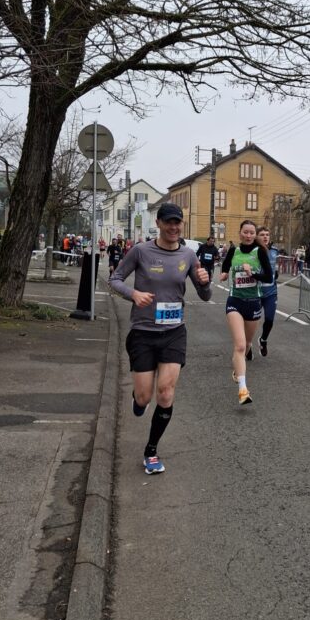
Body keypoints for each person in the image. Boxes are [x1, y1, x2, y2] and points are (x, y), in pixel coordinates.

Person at [109, 203, 211, 474]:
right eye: (169, 222)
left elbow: (205, 296)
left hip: (174, 332)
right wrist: (133, 294)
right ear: (158, 223)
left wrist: (204, 281)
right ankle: (138, 399)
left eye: (178, 222)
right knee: (144, 398)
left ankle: (151, 451)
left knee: (165, 393)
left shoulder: (189, 255)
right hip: (143, 332)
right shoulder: (141, 251)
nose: (174, 227)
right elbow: (114, 280)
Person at [219, 220, 273, 405]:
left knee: (248, 344)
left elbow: (269, 277)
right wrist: (224, 273)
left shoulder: (260, 252)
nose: (248, 235)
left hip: (253, 303)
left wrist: (253, 274)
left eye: (251, 233)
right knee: (240, 345)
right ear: (240, 233)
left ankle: (238, 368)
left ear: (254, 235)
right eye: (245, 232)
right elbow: (225, 265)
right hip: (235, 301)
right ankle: (243, 390)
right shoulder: (233, 251)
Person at [256, 226, 279, 357]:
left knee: (269, 319)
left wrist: (275, 274)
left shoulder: (274, 250)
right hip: (255, 292)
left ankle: (263, 340)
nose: (265, 237)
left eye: (267, 234)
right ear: (257, 237)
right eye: (262, 234)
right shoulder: (254, 251)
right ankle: (247, 345)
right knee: (252, 321)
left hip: (271, 292)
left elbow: (274, 266)